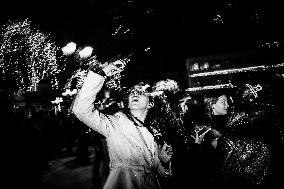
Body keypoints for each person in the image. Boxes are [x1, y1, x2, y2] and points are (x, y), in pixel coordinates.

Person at [72, 63, 173, 189]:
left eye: (142, 91)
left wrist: (163, 161)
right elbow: (81, 110)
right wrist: (102, 73)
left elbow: (157, 173)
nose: (136, 93)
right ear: (128, 103)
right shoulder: (116, 123)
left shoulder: (154, 133)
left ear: (150, 103)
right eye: (133, 91)